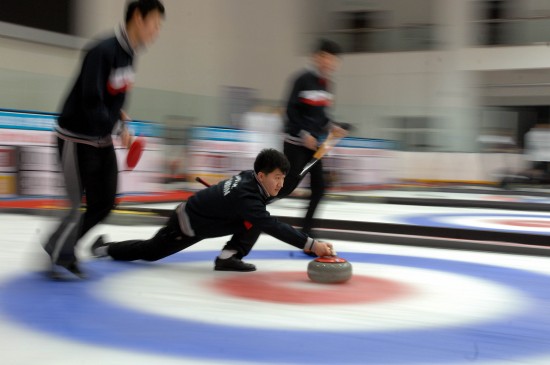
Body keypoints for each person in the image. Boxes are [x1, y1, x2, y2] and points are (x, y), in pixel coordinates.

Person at [43, 0, 166, 279]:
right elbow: (90, 99)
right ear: (137, 17)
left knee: (105, 201)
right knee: (75, 205)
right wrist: (115, 127)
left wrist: (121, 120)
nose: (156, 32)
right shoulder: (102, 50)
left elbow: (113, 97)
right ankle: (61, 256)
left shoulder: (129, 54)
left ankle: (59, 245)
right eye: (154, 24)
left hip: (100, 139)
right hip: (75, 139)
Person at [91, 149, 336, 270]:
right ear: (261, 175)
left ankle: (228, 258)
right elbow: (270, 224)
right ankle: (104, 248)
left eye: (283, 178)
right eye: (277, 178)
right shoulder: (248, 197)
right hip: (186, 224)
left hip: (207, 216)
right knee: (150, 251)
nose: (280, 184)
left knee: (257, 218)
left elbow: (258, 210)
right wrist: (311, 245)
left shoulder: (250, 179)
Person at [277, 39, 348, 237]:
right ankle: (253, 206)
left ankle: (306, 231)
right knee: (288, 185)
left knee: (320, 187)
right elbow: (290, 111)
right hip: (296, 143)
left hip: (316, 146)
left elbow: (321, 116)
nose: (331, 63)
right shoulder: (301, 79)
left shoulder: (328, 85)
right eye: (327, 58)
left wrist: (333, 127)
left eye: (334, 60)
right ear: (317, 57)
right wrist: (303, 133)